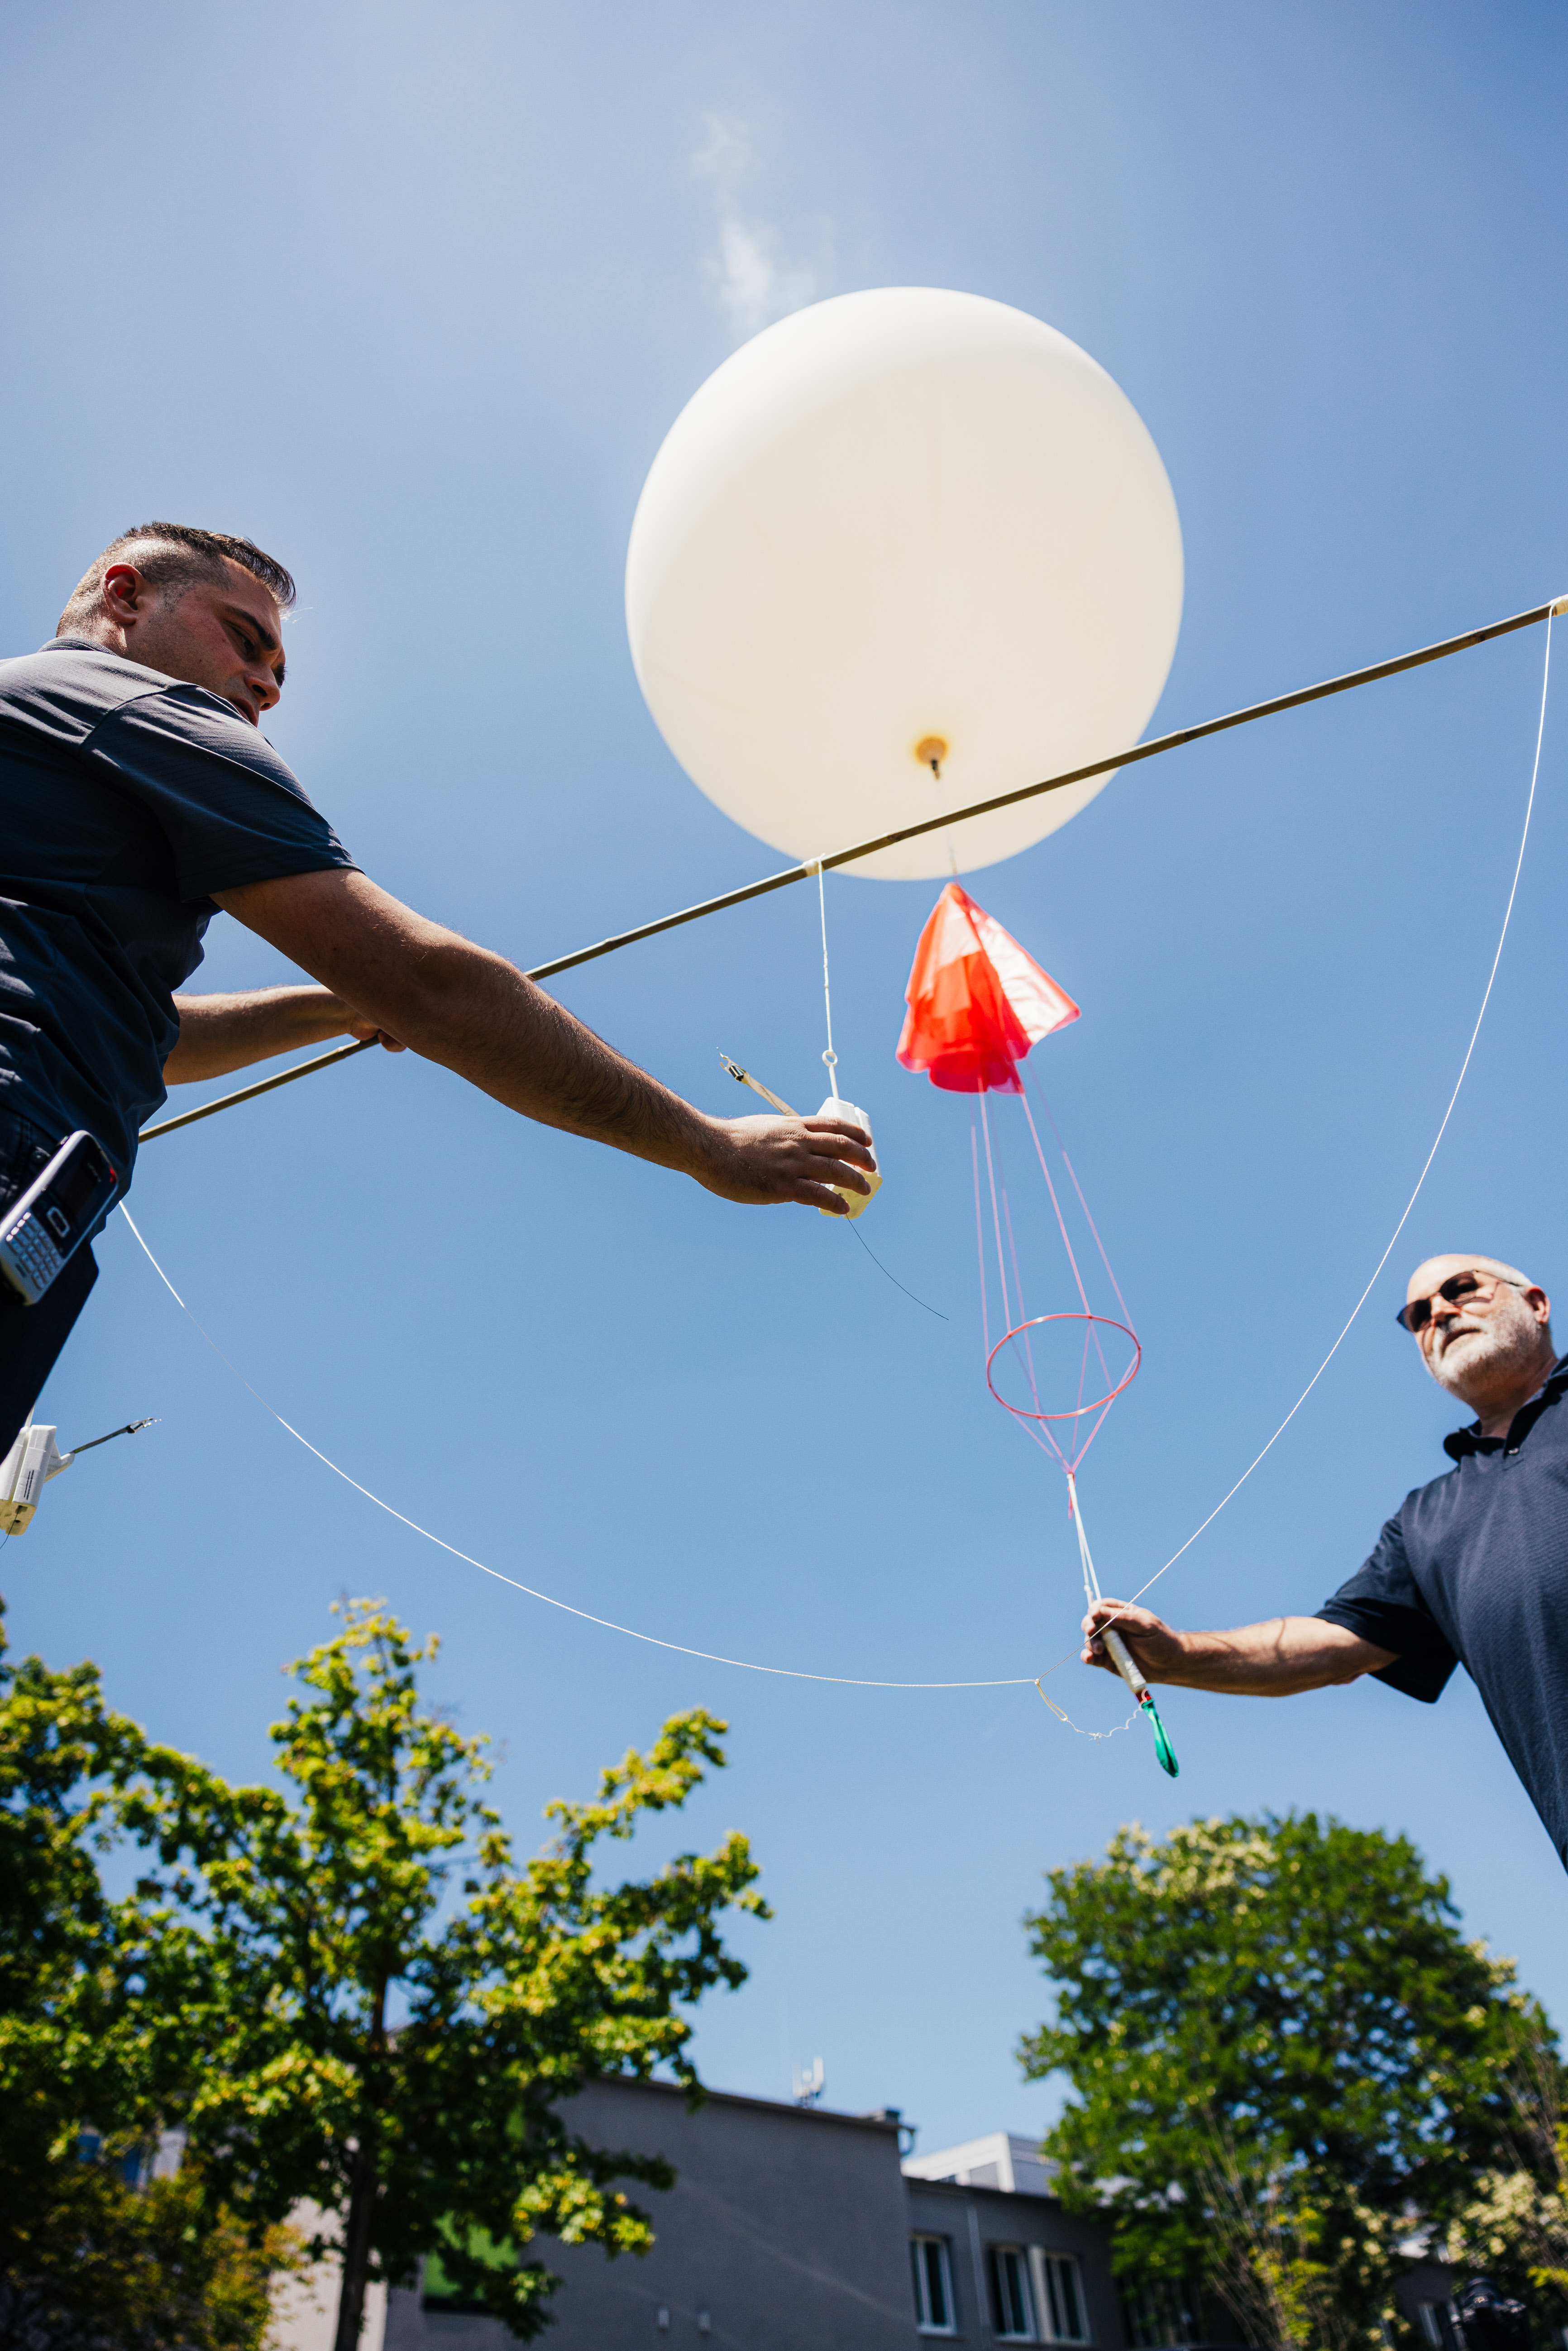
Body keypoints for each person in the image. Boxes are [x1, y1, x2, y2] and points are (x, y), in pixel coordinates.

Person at [0, 524, 875, 1451]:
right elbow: (433, 986)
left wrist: (332, 1005)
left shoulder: (38, 727)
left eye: (280, 672)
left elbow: (136, 1032)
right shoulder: (148, 710)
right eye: (244, 640)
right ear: (127, 597)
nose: (265, 685)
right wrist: (708, 1145)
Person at [1081, 1254, 1568, 1868]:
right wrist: (1179, 1655)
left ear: (1537, 1303)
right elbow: (1337, 1643)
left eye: (1461, 1289)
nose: (1439, 1312)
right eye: (1417, 1314)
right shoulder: (1429, 1520)